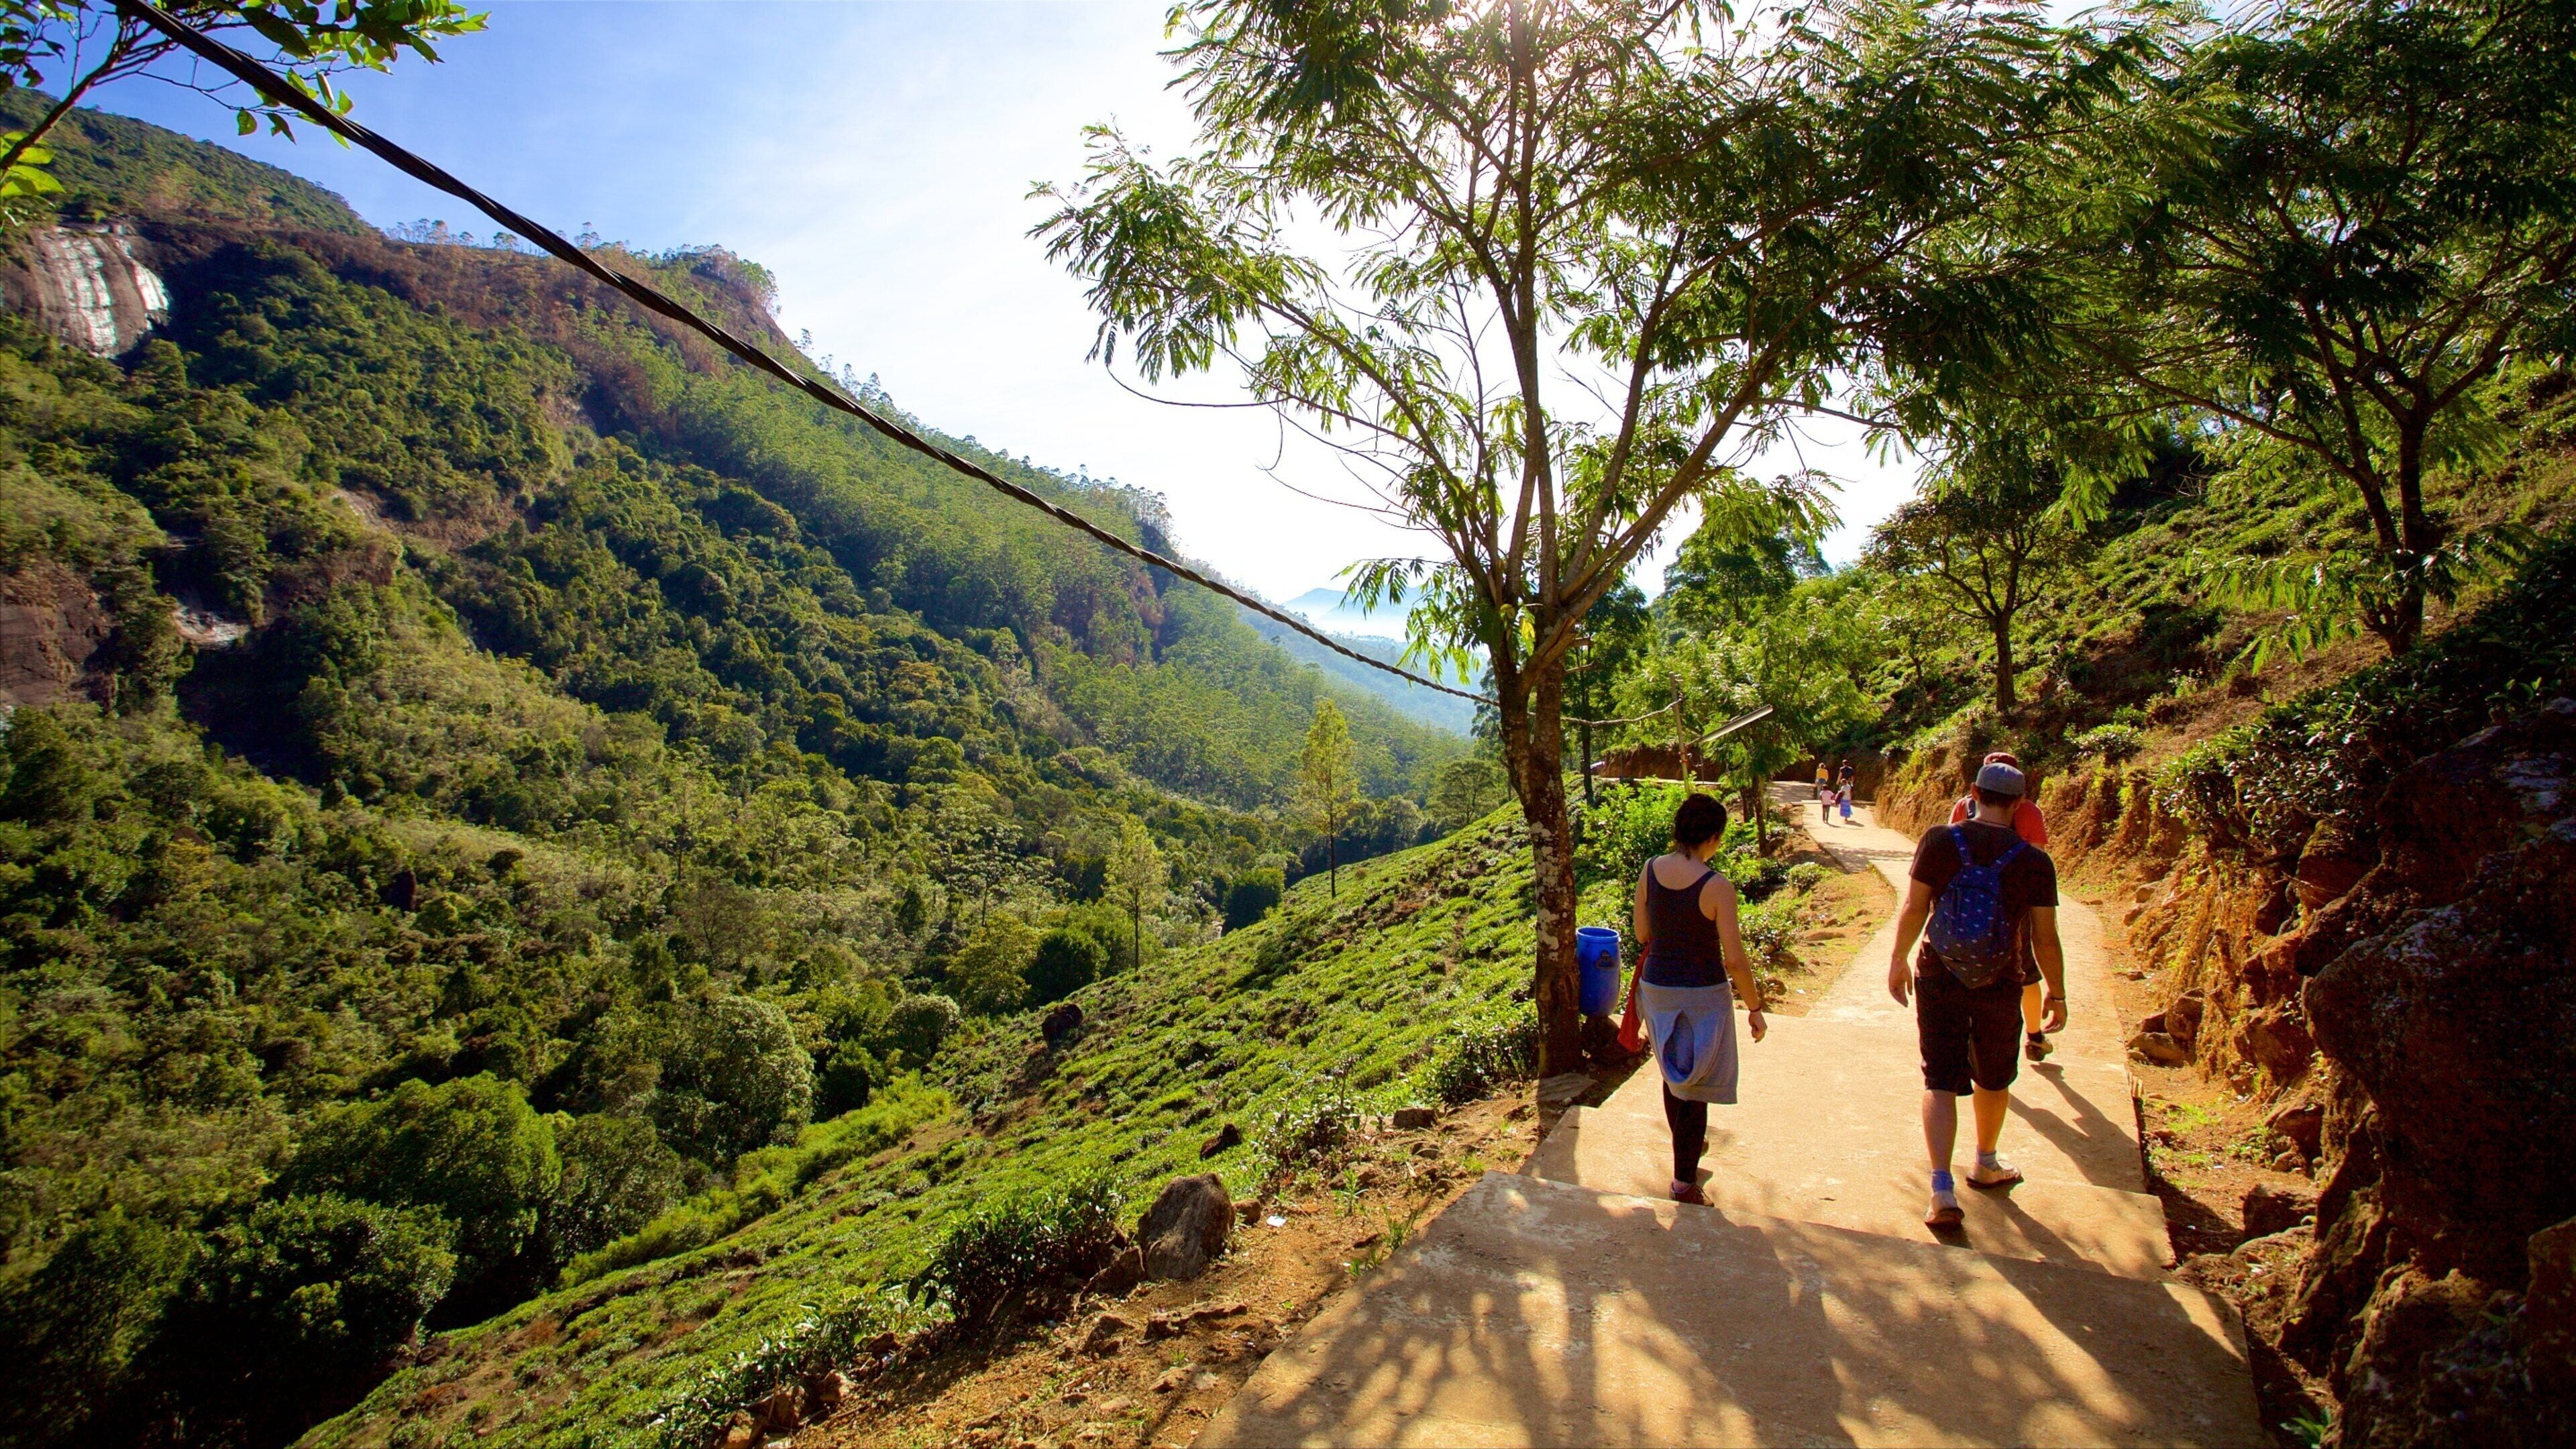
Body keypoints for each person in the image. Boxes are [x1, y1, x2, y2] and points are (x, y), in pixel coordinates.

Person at [1887, 760, 2068, 1228]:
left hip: (1938, 973)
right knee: (1994, 1076)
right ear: (2021, 805)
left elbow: (1913, 908)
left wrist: (1897, 959)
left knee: (1940, 1079)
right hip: (2001, 980)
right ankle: (1986, 1162)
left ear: (1973, 792)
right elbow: (2045, 938)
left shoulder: (1940, 841)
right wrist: (2057, 993)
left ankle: (1941, 1190)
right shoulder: (2034, 862)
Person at [1631, 793, 1769, 1205]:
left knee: (1675, 1075)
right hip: (1702, 994)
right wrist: (1756, 1008)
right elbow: (1736, 960)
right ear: (1713, 837)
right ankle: (1684, 1182)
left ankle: (1685, 1158)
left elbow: (1642, 933)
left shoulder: (1650, 869)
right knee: (1696, 1084)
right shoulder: (1717, 886)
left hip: (1657, 988)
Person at [1947, 751, 2054, 1062]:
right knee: (2026, 972)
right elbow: (2036, 859)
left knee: (1961, 966)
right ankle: (2034, 1036)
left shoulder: (1963, 807)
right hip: (2012, 907)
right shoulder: (2030, 812)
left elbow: (1953, 848)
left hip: (1966, 904)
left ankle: (1964, 1038)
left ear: (1978, 787)